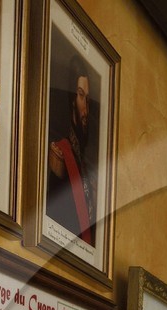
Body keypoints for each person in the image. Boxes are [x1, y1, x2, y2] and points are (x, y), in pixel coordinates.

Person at [47, 54, 95, 244]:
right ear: (71, 99)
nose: (86, 108)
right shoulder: (60, 153)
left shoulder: (84, 165)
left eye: (88, 99)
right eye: (81, 95)